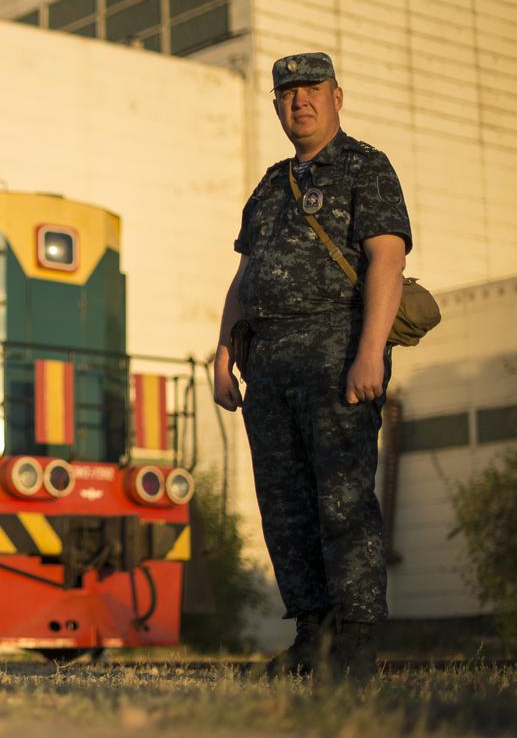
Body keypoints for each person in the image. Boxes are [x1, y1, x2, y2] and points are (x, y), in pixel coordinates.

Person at [213, 53, 411, 682]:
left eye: (311, 91)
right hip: (268, 364)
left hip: (336, 352)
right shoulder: (271, 185)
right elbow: (244, 278)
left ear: (337, 97)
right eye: (287, 93)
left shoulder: (365, 166)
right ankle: (312, 638)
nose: (299, 102)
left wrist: (370, 352)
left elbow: (386, 261)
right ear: (276, 105)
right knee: (285, 504)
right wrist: (223, 356)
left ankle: (353, 647)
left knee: (344, 500)